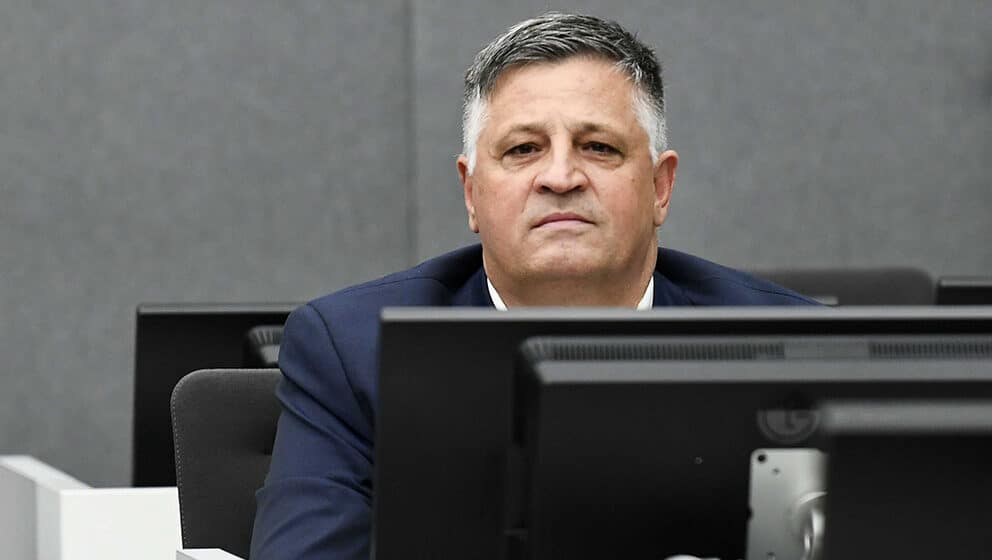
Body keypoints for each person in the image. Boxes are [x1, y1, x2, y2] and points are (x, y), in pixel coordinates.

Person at [250, 12, 816, 560]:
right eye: (523, 149)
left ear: (659, 187)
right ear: (472, 193)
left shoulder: (790, 346)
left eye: (599, 147)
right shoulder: (353, 352)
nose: (561, 177)